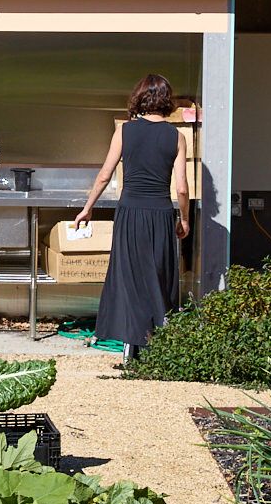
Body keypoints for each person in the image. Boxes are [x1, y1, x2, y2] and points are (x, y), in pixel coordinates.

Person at [75, 73, 190, 355]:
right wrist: (184, 219)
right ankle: (158, 344)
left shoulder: (124, 131)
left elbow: (105, 175)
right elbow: (182, 188)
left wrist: (87, 208)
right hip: (161, 214)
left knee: (130, 277)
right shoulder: (176, 137)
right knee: (158, 277)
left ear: (139, 98)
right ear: (167, 101)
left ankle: (132, 345)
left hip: (130, 213)